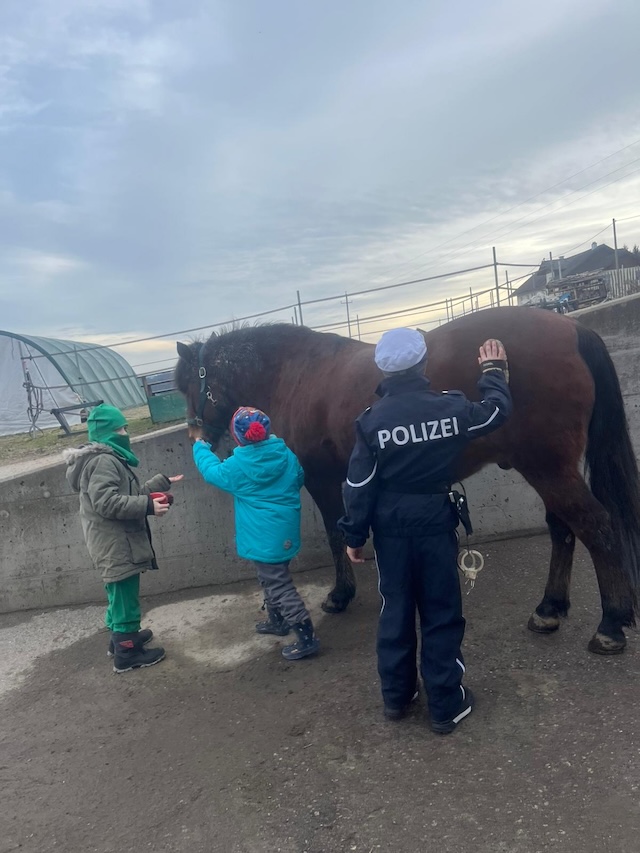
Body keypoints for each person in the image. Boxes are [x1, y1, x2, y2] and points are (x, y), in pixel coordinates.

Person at [338, 329, 512, 733]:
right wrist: (493, 372)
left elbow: (359, 485)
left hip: (390, 532)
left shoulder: (371, 421)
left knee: (395, 610)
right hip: (435, 523)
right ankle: (446, 705)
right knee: (441, 611)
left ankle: (397, 699)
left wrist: (353, 536)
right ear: (424, 364)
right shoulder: (449, 407)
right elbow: (494, 413)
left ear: (383, 370)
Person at [191, 406, 319, 661]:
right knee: (271, 577)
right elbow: (298, 478)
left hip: (262, 536)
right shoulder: (285, 454)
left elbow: (212, 472)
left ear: (237, 437)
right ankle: (277, 620)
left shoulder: (237, 466)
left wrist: (200, 447)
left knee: (278, 583)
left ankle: (306, 637)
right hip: (284, 531)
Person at [64, 404, 182, 673]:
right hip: (116, 545)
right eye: (120, 429)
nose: (125, 433)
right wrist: (148, 506)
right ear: (107, 433)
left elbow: (127, 495)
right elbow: (107, 503)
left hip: (113, 543)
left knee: (118, 595)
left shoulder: (105, 459)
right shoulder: (104, 461)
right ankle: (127, 653)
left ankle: (119, 640)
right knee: (125, 597)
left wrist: (159, 484)